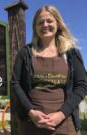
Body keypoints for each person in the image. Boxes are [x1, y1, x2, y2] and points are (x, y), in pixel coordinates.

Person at [12, 5, 87, 135]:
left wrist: (62, 114)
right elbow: (15, 83)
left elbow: (82, 85)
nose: (45, 25)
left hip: (65, 125)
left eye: (49, 21)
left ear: (58, 23)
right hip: (32, 125)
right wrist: (31, 111)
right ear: (35, 28)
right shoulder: (25, 53)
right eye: (40, 22)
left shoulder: (71, 53)